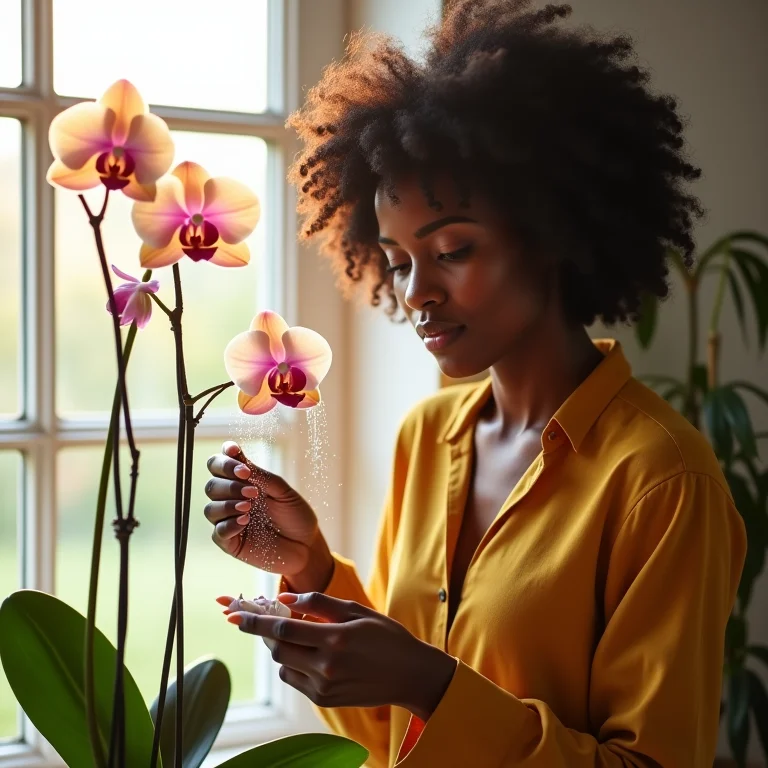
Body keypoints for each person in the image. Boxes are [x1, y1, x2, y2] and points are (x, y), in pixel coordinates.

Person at [203, 1, 747, 765]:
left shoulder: (661, 481)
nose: (415, 290)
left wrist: (434, 683)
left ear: (552, 235)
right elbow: (392, 737)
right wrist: (311, 568)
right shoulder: (427, 436)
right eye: (396, 260)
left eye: (452, 249)